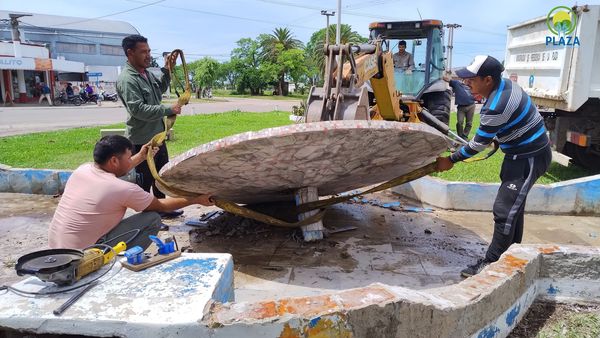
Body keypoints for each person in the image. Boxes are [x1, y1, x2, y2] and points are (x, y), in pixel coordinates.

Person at [435, 55, 552, 278]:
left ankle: (492, 263)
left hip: (529, 157)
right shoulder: (505, 85)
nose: (467, 83)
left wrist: (450, 160)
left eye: (472, 79)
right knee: (514, 208)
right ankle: (511, 253)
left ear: (488, 80)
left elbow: (477, 145)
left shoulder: (496, 106)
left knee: (505, 210)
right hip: (519, 153)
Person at [48, 135, 213, 250]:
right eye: (129, 157)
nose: (130, 160)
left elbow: (120, 168)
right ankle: (115, 260)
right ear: (113, 160)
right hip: (84, 256)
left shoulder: (82, 170)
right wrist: (196, 199)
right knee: (152, 219)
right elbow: (160, 205)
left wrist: (141, 156)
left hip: (57, 249)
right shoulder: (121, 189)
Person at [116, 34, 183, 219]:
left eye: (149, 51)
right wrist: (169, 109)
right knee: (145, 182)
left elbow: (159, 88)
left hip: (157, 137)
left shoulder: (146, 73)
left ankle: (163, 209)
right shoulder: (128, 79)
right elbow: (138, 110)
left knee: (160, 177)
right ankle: (147, 218)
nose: (148, 55)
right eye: (143, 52)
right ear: (130, 53)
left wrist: (168, 69)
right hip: (141, 141)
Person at [444, 73, 476, 140]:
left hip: (471, 106)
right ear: (464, 79)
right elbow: (447, 79)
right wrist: (444, 74)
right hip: (461, 107)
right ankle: (460, 136)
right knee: (459, 122)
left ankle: (465, 136)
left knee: (469, 123)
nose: (469, 80)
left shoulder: (472, 85)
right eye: (467, 78)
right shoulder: (457, 83)